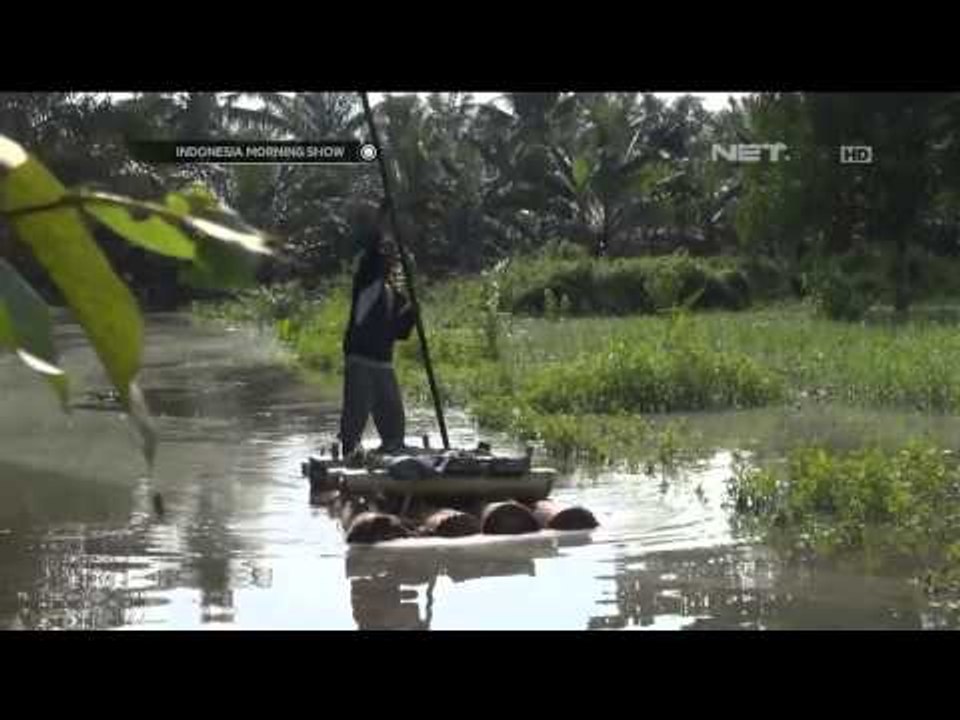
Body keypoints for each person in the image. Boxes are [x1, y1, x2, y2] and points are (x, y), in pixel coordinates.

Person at [338, 204, 417, 459]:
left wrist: (412, 310)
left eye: (394, 257)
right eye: (388, 255)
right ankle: (349, 458)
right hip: (360, 359)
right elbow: (373, 247)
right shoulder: (367, 280)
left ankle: (392, 457)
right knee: (355, 418)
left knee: (394, 424)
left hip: (383, 363)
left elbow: (400, 333)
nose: (392, 259)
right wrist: (384, 218)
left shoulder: (394, 295)